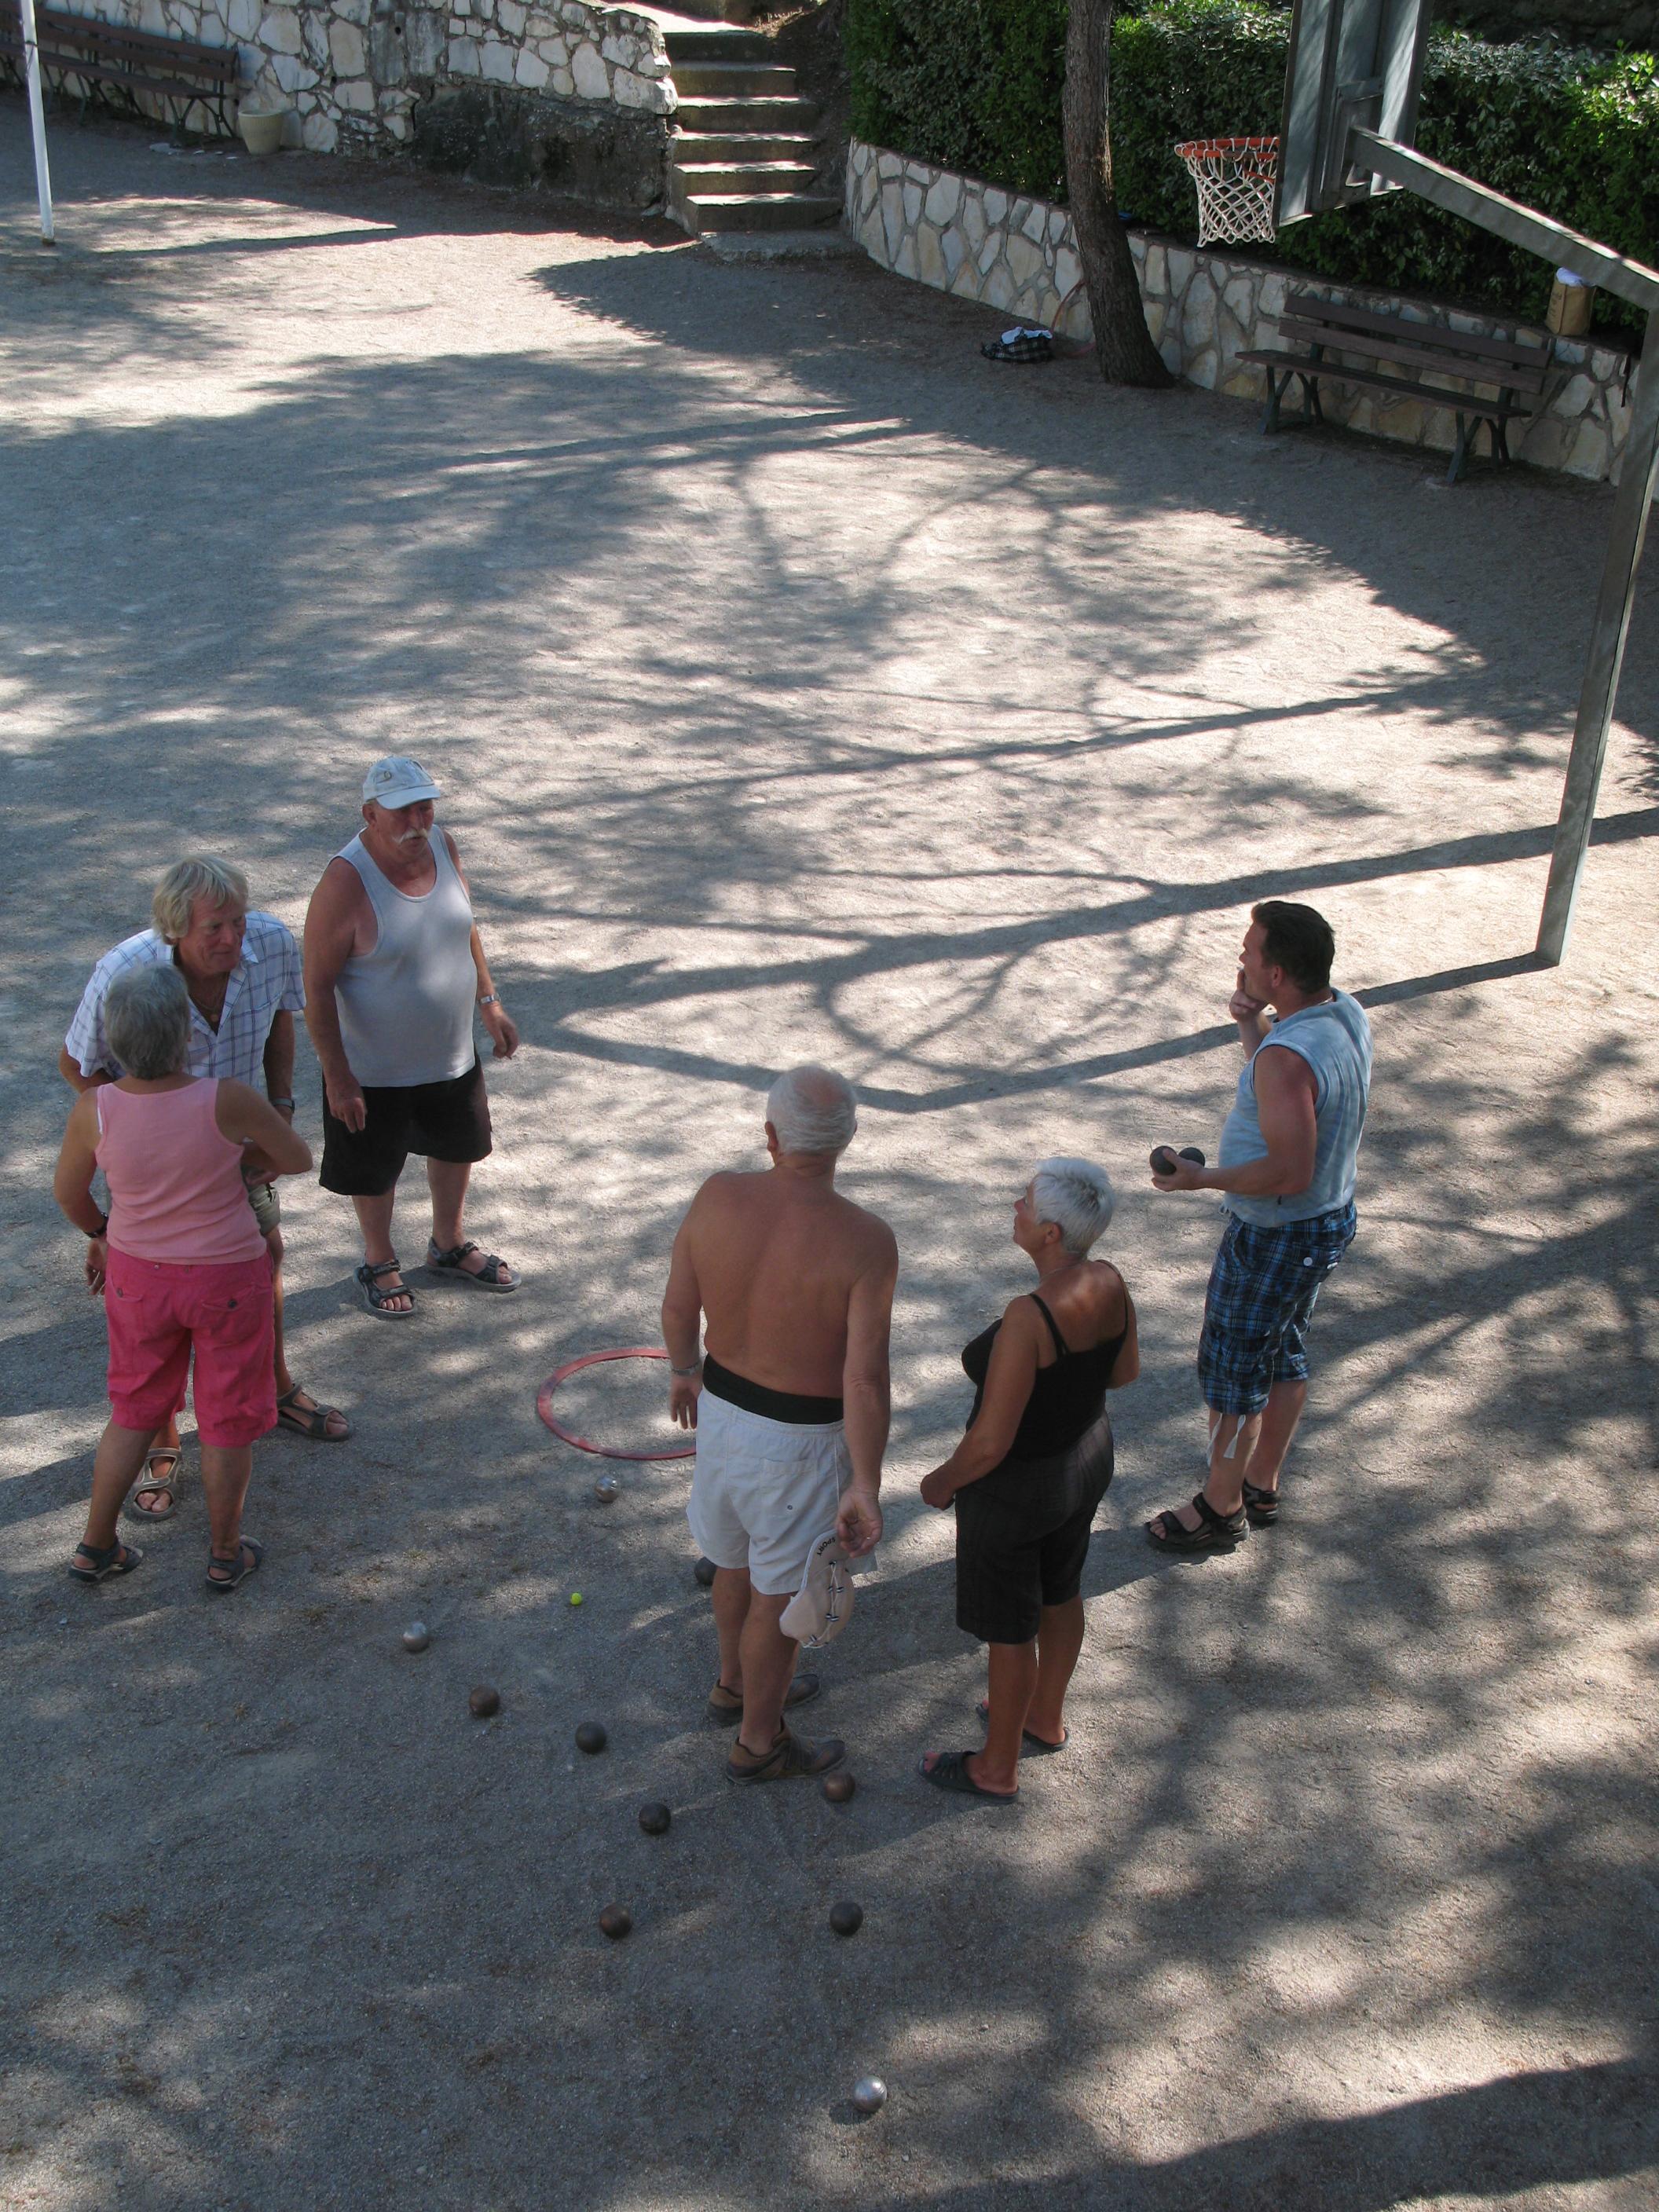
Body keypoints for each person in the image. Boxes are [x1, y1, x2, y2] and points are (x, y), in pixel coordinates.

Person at [60, 857, 349, 1524]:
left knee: (263, 1259)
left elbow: (282, 1018)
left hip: (237, 1144)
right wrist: (139, 1133)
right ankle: (162, 1442)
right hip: (156, 1171)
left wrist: (277, 1108)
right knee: (160, 1323)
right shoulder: (124, 973)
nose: (232, 939)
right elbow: (77, 1064)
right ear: (173, 930)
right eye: (214, 927)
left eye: (237, 920)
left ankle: (275, 1391)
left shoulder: (270, 943)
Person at [661, 1066, 898, 1785]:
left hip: (723, 1417)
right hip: (801, 1444)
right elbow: (863, 1379)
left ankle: (733, 1683)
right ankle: (759, 1742)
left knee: (732, 1564)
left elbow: (679, 1311)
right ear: (847, 1141)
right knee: (780, 1596)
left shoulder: (716, 1197)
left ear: (771, 1137)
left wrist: (682, 1371)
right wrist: (865, 1482)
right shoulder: (866, 1241)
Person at [53, 965, 313, 1592]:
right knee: (225, 1420)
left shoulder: (97, 1108)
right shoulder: (227, 1099)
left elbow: (69, 1193)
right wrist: (247, 1162)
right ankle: (225, 1553)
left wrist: (102, 1234)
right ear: (184, 1037)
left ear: (114, 1042)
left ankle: (96, 1545)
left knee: (135, 1410)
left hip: (139, 1281)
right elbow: (297, 1158)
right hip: (227, 1277)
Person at [1146, 899, 1372, 1550]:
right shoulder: (1342, 1014)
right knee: (1284, 1350)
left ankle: (1220, 1508)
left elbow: (1287, 1170)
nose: (1240, 961)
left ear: (1276, 974)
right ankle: (1260, 1483)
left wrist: (1201, 1178)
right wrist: (1255, 1029)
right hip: (1324, 1224)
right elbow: (1295, 1093)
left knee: (1233, 1370)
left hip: (1276, 1234)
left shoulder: (1285, 1056)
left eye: (1249, 955)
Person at [917, 1159, 1138, 1802]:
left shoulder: (1028, 1317)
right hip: (1087, 1460)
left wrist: (940, 1482)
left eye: (1026, 1203)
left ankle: (996, 1768)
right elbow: (1122, 1374)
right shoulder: (1110, 1280)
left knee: (1010, 1631)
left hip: (1017, 1491)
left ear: (1048, 1235)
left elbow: (989, 1443)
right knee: (1060, 1592)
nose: (1015, 1204)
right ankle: (1045, 1717)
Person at [302, 756, 520, 1316]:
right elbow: (317, 988)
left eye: (425, 807)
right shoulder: (344, 883)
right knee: (373, 1166)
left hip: (450, 1052)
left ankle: (447, 1244)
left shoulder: (443, 846)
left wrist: (489, 1003)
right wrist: (337, 1075)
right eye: (402, 813)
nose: (416, 823)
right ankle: (379, 1259)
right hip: (373, 1069)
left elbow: (462, 925)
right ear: (370, 814)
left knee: (458, 1146)